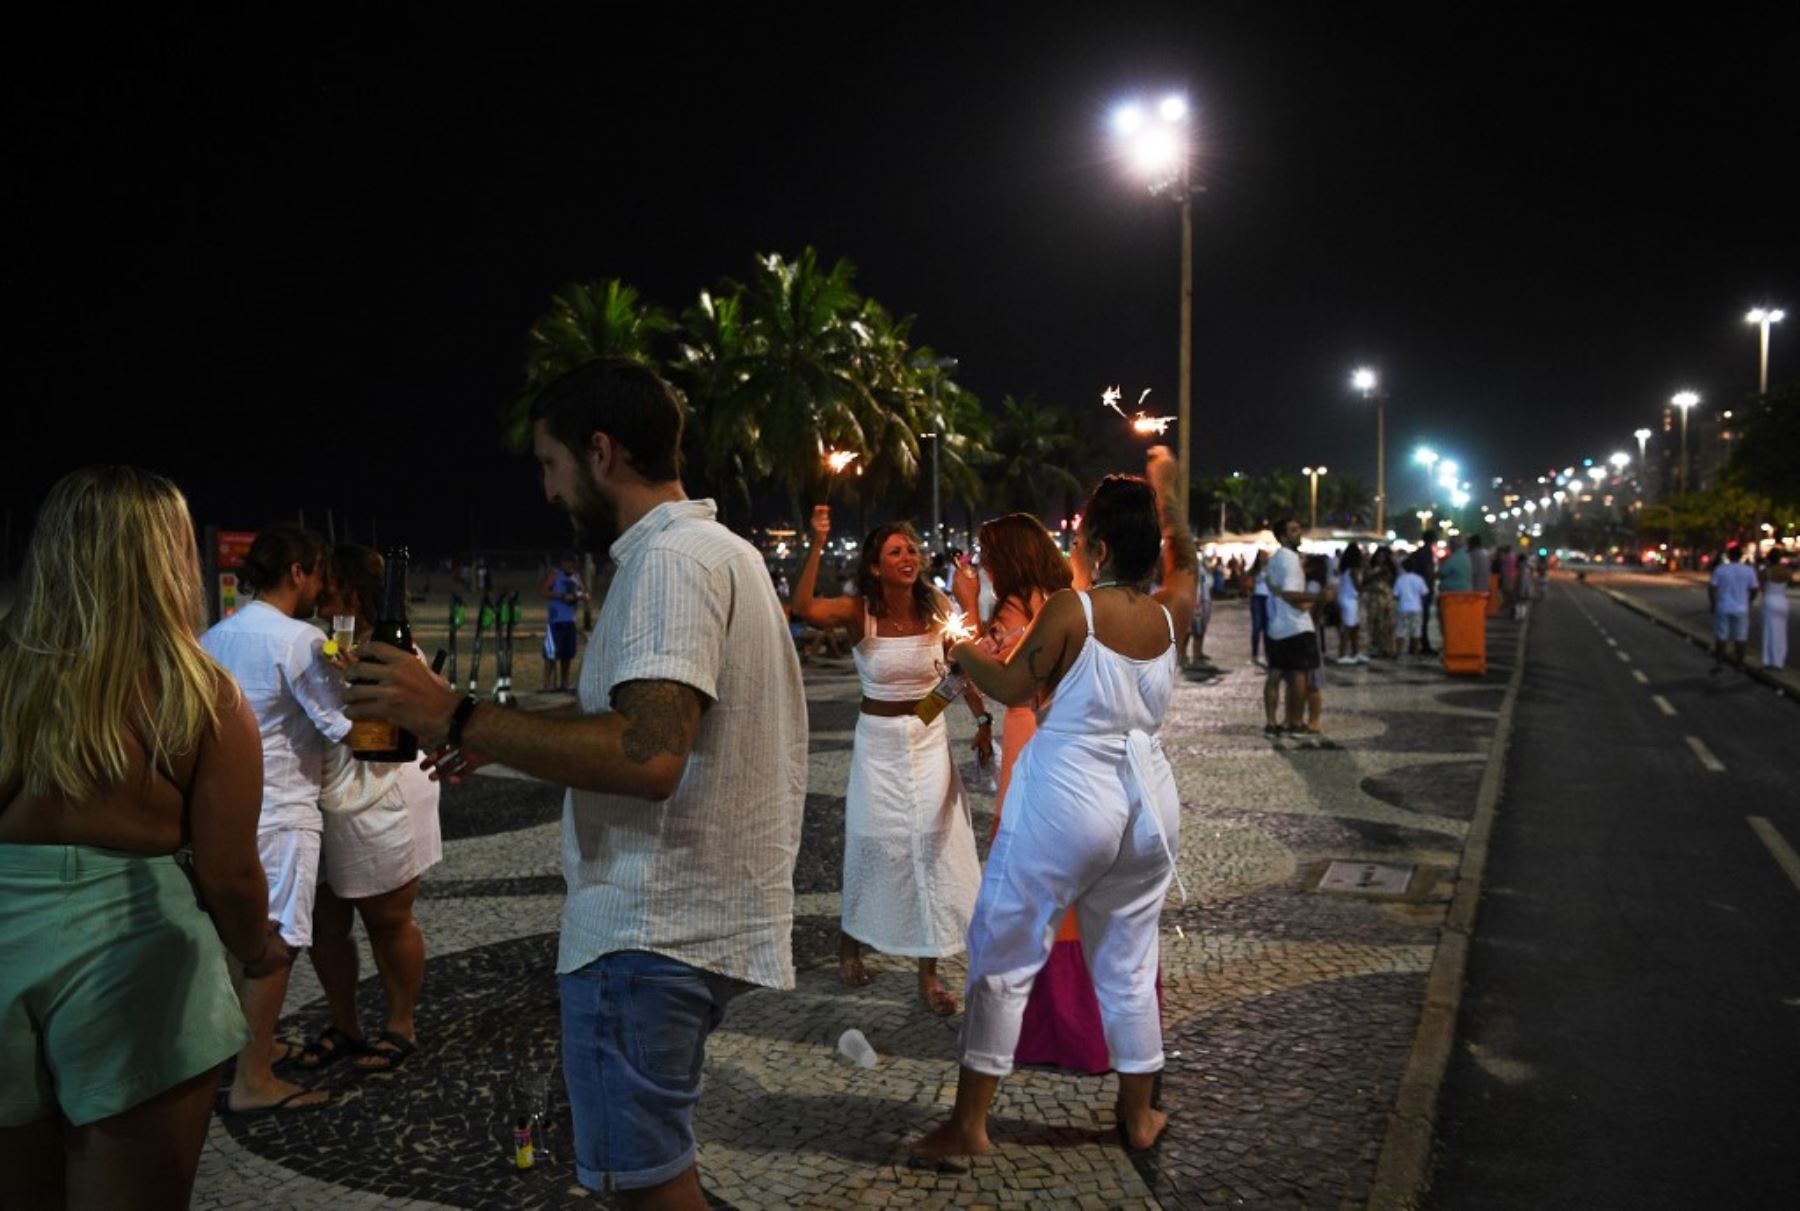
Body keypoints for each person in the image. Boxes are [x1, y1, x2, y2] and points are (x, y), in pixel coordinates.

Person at [345, 358, 807, 1210]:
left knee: (645, 1189)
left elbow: (649, 754)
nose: (550, 493)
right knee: (658, 1174)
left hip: (647, 924)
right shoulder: (716, 551)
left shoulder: (672, 562)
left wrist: (455, 714)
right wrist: (514, 731)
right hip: (680, 921)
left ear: (602, 453)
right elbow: (644, 724)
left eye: (551, 465)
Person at [1, 466, 290, 1206]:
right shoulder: (202, 696)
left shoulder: (9, 677)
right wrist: (257, 946)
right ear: (168, 558)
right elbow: (229, 872)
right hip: (134, 957)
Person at [909, 446, 1197, 1160]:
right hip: (1149, 799)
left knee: (1004, 944)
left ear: (1097, 547)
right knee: (1129, 959)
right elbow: (1184, 555)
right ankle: (1139, 1116)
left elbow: (1009, 685)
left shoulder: (1075, 609)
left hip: (1072, 790)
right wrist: (1168, 491)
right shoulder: (1172, 612)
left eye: (1080, 540)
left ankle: (968, 1125)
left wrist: (963, 644)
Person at [791, 510, 990, 1016]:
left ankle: (928, 973)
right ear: (876, 567)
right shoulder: (860, 611)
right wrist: (817, 543)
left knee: (930, 845)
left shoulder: (938, 605)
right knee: (873, 841)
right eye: (896, 552)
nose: (909, 557)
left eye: (912, 550)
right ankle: (851, 940)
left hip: (928, 741)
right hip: (877, 744)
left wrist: (981, 719)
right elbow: (803, 606)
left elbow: (962, 663)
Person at [954, 513, 1110, 1073]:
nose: (982, 561)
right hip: (1069, 738)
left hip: (1027, 735)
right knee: (1070, 889)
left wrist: (967, 606)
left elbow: (991, 673)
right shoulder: (1070, 596)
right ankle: (1081, 1020)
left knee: (1023, 882)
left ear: (1006, 557)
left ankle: (1028, 1021)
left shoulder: (1018, 608)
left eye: (986, 552)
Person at [201, 524, 348, 1115]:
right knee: (276, 947)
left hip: (223, 818)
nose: (319, 587)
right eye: (317, 575)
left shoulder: (211, 637)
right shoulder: (299, 641)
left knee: (237, 943)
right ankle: (254, 1079)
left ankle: (238, 1052)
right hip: (284, 812)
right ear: (297, 572)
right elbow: (339, 726)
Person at [299, 545, 443, 1075]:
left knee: (387, 920)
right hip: (324, 796)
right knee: (323, 923)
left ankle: (400, 1024)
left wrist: (354, 668)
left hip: (380, 793)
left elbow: (413, 710)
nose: (316, 597)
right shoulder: (317, 643)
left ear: (354, 594)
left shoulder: (392, 650)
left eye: (327, 587)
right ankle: (345, 1023)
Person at [1262, 520, 1320, 737]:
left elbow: (1272, 586)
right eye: (1294, 530)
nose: (1300, 533)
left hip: (1276, 626)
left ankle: (1271, 722)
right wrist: (1318, 596)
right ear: (1283, 537)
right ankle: (1295, 722)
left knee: (1274, 675)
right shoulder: (1291, 559)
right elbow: (1289, 593)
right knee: (1298, 676)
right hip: (1296, 626)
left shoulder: (1274, 558)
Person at [541, 549, 587, 692]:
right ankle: (547, 684)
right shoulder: (555, 574)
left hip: (570, 620)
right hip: (556, 620)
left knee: (567, 654)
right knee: (551, 654)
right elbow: (543, 591)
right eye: (568, 563)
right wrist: (561, 596)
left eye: (573, 563)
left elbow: (584, 592)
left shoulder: (576, 576)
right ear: (563, 563)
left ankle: (564, 683)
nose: (571, 566)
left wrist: (580, 596)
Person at [1709, 544, 1760, 672]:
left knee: (1721, 636)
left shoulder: (1720, 570)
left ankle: (1719, 662)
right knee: (1741, 637)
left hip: (1723, 606)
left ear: (1729, 556)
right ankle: (1739, 664)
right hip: (1741, 607)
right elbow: (1754, 588)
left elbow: (1712, 588)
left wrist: (1713, 604)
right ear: (1741, 556)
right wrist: (1748, 600)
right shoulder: (1748, 570)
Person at [1363, 546, 1399, 659]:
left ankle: (1388, 648)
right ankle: (1376, 648)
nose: (1381, 558)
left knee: (1388, 624)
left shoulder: (1389, 568)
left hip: (1386, 598)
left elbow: (1391, 580)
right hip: (1374, 598)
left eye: (1383, 556)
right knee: (1375, 625)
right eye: (1379, 556)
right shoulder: (1371, 568)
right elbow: (1365, 581)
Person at [1409, 531, 1440, 655]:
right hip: (1424, 588)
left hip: (1418, 588)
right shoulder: (1426, 552)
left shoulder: (1419, 551)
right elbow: (1429, 570)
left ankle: (1416, 644)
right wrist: (1437, 576)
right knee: (1423, 618)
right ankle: (1423, 644)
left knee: (1419, 618)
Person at [1335, 542, 1365, 664]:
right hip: (1350, 600)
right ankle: (1342, 654)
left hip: (1348, 599)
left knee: (1354, 627)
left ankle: (1355, 652)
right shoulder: (1353, 571)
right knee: (1347, 628)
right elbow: (1358, 586)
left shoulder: (1345, 569)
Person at [1760, 552, 1791, 669]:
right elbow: (1791, 580)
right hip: (1783, 601)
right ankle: (1779, 661)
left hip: (1770, 600)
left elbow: (1761, 585)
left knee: (1769, 632)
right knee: (1781, 632)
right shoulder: (1786, 571)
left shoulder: (1766, 572)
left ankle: (1769, 660)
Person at [1394, 561, 1429, 655]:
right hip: (1416, 608)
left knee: (1400, 631)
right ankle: (1415, 652)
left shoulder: (1400, 579)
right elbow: (1424, 593)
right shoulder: (1419, 579)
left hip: (1403, 608)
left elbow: (1396, 595)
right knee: (1416, 631)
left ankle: (1399, 652)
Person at [1249, 550, 1272, 664]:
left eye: (1265, 556)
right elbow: (1250, 581)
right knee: (1257, 627)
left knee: (1267, 628)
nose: (1264, 558)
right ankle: (1255, 653)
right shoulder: (1255, 570)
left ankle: (1268, 654)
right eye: (1262, 556)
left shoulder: (1271, 568)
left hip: (1267, 598)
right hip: (1257, 597)